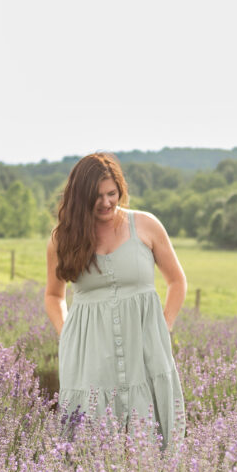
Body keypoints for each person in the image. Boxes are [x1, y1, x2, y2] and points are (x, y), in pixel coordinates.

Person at [45, 153, 186, 449]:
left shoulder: (146, 225)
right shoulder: (63, 239)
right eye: (97, 196)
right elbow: (54, 295)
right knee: (91, 444)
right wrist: (67, 336)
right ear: (80, 197)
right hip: (89, 353)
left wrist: (164, 328)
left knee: (150, 440)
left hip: (146, 347)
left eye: (112, 193)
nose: (107, 202)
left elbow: (177, 281)